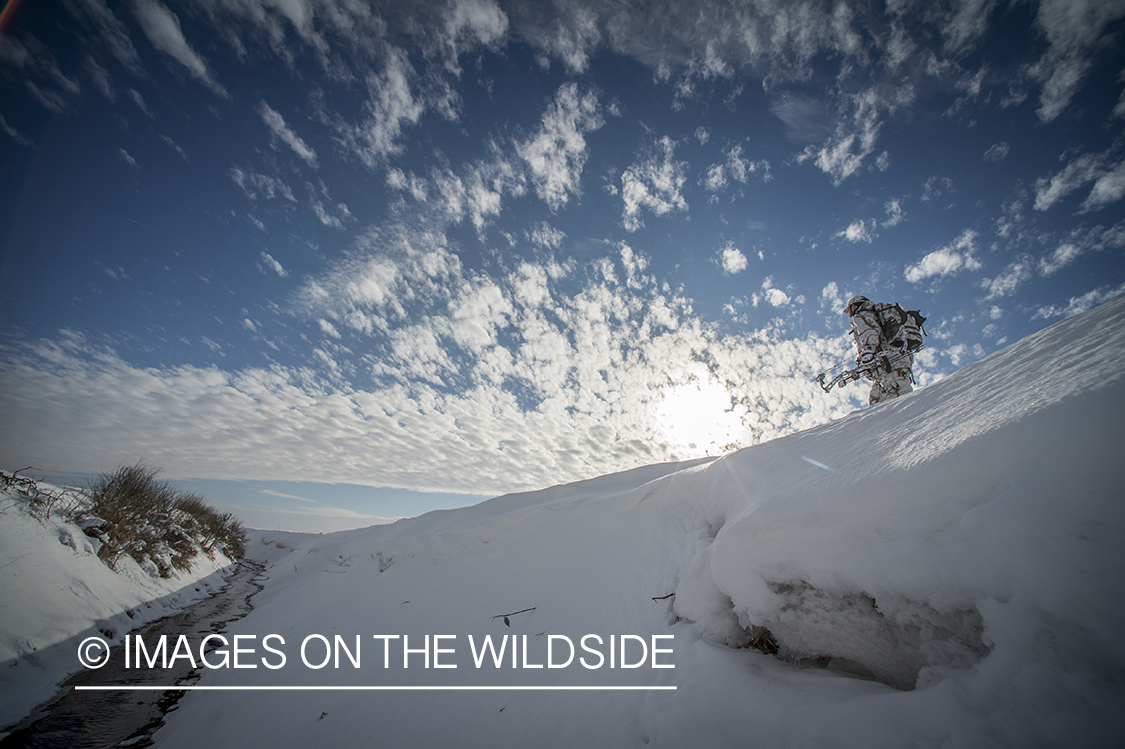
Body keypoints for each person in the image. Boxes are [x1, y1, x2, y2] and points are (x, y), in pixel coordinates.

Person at [844, 295, 917, 405]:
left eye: (849, 311)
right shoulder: (877, 314)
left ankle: (910, 419)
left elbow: (869, 332)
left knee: (899, 398)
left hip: (888, 362)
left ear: (853, 306)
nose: (850, 314)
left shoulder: (862, 314)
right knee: (877, 402)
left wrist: (868, 351)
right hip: (895, 361)